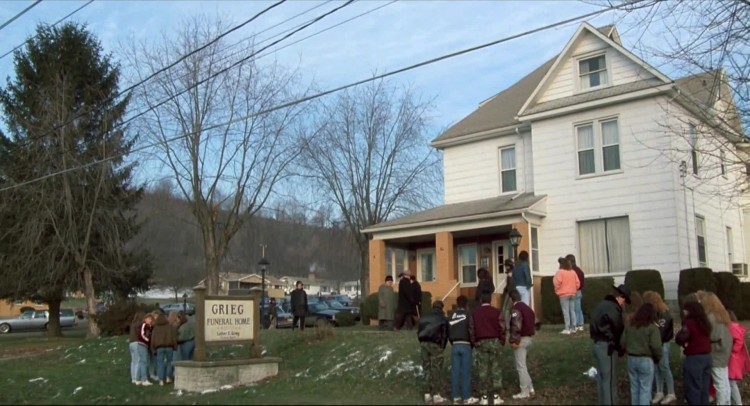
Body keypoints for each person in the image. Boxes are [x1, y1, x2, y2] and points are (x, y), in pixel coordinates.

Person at [590, 284, 630, 405]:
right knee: (610, 381)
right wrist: (620, 348)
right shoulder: (614, 308)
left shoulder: (601, 305)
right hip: (607, 346)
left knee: (601, 379)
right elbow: (617, 330)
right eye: (624, 300)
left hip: (596, 344)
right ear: (620, 297)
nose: (624, 303)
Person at [620, 302, 662, 406]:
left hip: (631, 358)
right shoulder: (652, 328)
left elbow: (622, 341)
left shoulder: (630, 326)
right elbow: (656, 346)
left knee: (634, 388)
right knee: (645, 389)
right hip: (645, 359)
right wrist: (658, 357)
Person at [696, 290, 732, 405]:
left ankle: (722, 403)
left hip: (716, 351)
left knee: (719, 382)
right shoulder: (722, 315)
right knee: (724, 381)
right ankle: (727, 401)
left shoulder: (711, 317)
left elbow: (710, 335)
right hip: (724, 349)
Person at [470, 293, 506, 405]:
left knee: (482, 370)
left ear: (481, 301)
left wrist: (474, 341)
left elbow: (471, 328)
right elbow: (502, 327)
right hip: (495, 341)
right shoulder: (497, 312)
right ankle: (496, 396)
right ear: (491, 300)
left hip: (481, 342)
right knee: (496, 369)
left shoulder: (475, 313)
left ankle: (484, 397)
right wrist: (501, 340)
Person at [675, 300, 712, 405]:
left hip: (695, 358)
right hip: (707, 357)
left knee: (693, 389)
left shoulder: (689, 322)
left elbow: (681, 338)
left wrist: (680, 338)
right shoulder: (705, 322)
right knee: (704, 390)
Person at [642, 290, 676, 405]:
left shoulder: (664, 313)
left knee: (664, 367)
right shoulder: (654, 313)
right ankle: (659, 391)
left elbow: (661, 332)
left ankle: (671, 393)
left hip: (663, 344)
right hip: (655, 344)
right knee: (656, 368)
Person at [417, 300, 449, 405]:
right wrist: (442, 347)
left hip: (424, 344)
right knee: (436, 369)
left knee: (427, 369)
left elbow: (419, 332)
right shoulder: (443, 319)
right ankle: (436, 394)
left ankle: (427, 394)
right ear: (441, 308)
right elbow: (445, 335)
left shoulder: (424, 317)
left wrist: (422, 342)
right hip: (436, 345)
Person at [449, 295, 477, 405]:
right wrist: (473, 343)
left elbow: (449, 329)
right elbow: (471, 329)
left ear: (457, 303)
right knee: (466, 371)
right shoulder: (469, 314)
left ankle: (455, 397)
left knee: (455, 372)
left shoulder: (452, 315)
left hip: (455, 345)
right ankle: (467, 397)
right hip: (466, 344)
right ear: (466, 304)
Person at [508, 289, 536, 400]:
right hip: (529, 338)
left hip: (521, 339)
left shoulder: (516, 310)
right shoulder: (528, 308)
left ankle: (524, 391)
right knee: (523, 366)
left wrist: (515, 341)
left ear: (511, 299)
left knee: (520, 367)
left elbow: (516, 326)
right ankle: (530, 387)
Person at [553, 257, 580, 335]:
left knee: (566, 311)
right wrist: (574, 289)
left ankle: (567, 328)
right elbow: (578, 283)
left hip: (564, 294)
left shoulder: (560, 272)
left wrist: (557, 290)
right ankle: (573, 328)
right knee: (572, 311)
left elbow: (557, 282)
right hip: (572, 293)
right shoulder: (573, 272)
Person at [727, 310, 749, 405]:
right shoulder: (734, 325)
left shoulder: (731, 326)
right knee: (730, 382)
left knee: (731, 382)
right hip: (734, 358)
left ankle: (737, 403)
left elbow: (739, 340)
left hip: (733, 358)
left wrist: (732, 350)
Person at [150, 312, 177, 385]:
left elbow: (153, 339)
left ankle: (161, 380)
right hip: (169, 347)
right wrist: (175, 346)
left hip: (159, 347)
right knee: (169, 362)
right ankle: (168, 377)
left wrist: (152, 349)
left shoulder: (156, 328)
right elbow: (173, 337)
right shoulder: (169, 327)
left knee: (160, 363)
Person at [566, 254, 585, 332]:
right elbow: (582, 282)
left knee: (574, 309)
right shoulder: (579, 270)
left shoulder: (572, 271)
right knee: (578, 309)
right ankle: (580, 324)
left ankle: (576, 324)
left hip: (574, 291)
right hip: (578, 291)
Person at [134, 312, 154, 386]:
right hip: (142, 344)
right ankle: (144, 379)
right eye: (149, 319)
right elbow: (141, 334)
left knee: (141, 361)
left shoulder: (150, 326)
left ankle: (137, 379)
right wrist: (147, 340)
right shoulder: (144, 325)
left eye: (151, 319)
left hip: (145, 345)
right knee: (144, 362)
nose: (150, 320)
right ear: (145, 319)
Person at [128, 311, 146, 385]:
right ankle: (136, 378)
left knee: (133, 361)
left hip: (131, 343)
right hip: (136, 342)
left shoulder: (133, 323)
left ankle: (133, 378)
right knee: (138, 360)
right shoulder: (139, 324)